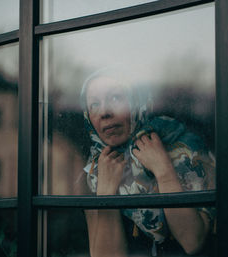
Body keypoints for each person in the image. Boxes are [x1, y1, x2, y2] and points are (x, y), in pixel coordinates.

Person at [80, 68, 215, 257]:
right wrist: (105, 192)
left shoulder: (185, 148)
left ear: (138, 101)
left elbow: (193, 242)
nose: (104, 112)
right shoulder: (96, 171)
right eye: (94, 104)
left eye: (116, 98)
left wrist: (164, 171)